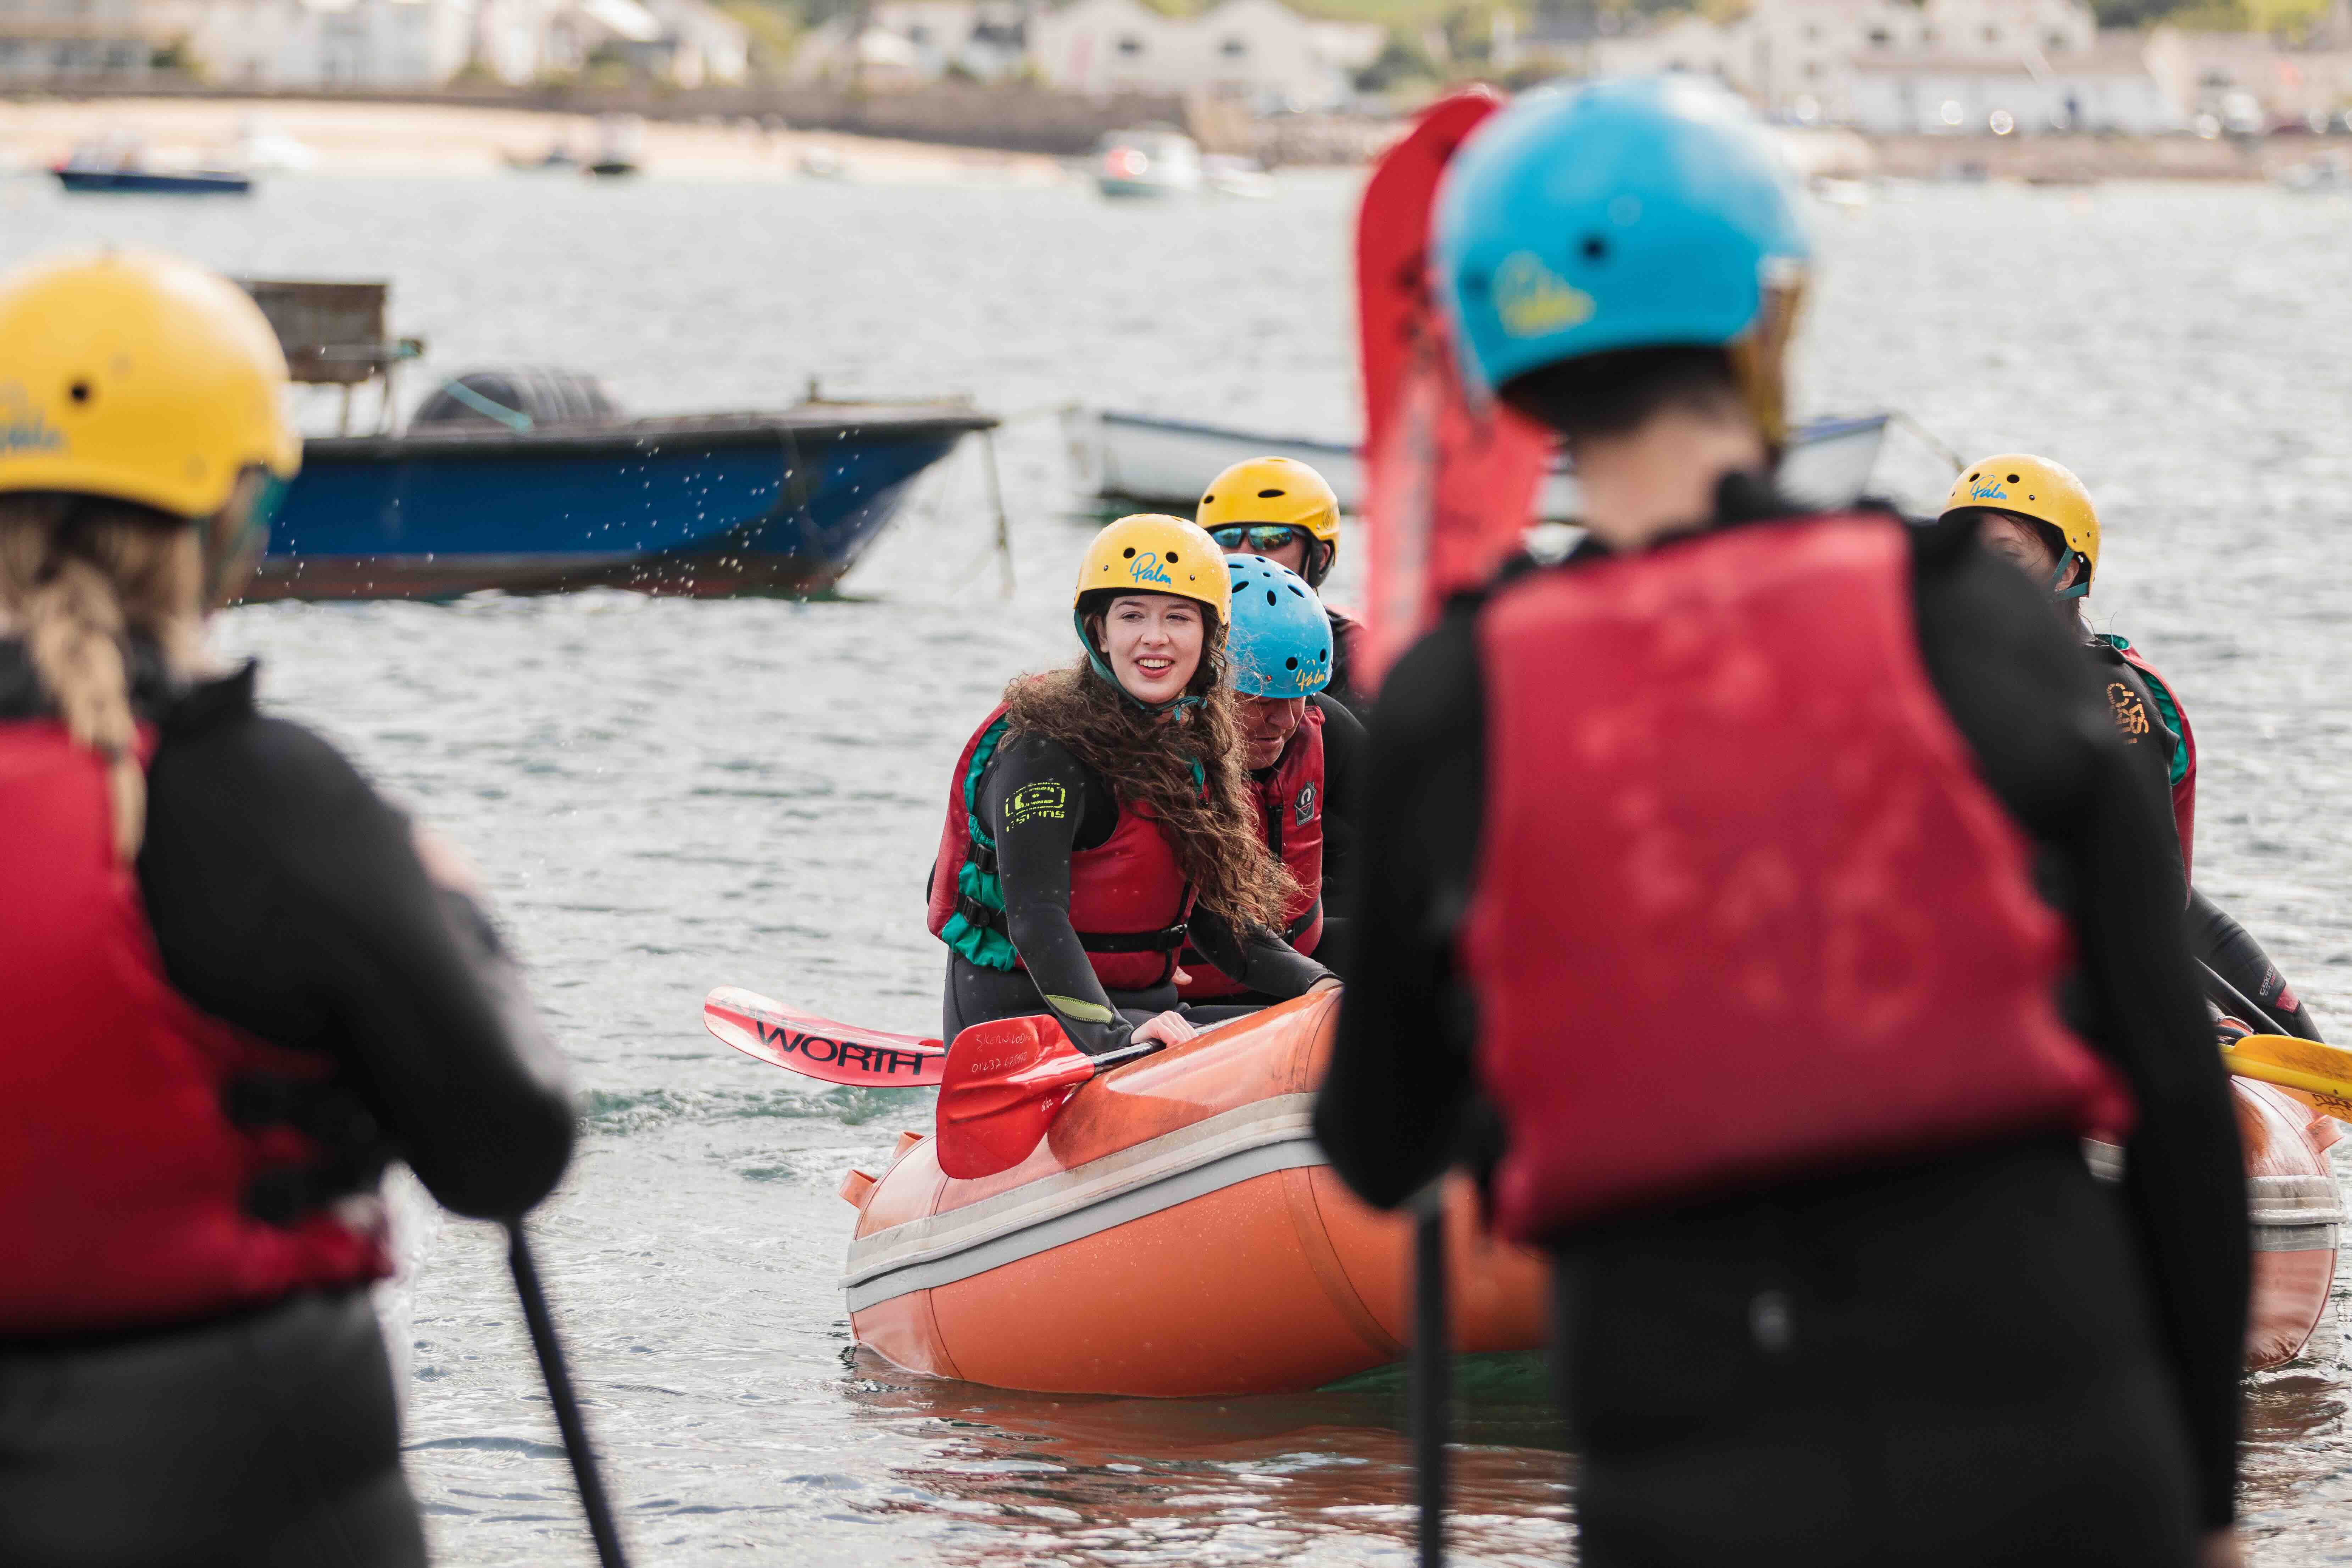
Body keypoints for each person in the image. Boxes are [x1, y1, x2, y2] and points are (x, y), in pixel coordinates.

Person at [1312, 78, 2247, 1568]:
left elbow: (1375, 1144)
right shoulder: (1977, 625)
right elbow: (2181, 1105)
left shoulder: (1454, 705)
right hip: (2066, 1460)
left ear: (1505, 361)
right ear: (1768, 325)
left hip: (1699, 1491)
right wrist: (2205, 1505)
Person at [0, 250, 576, 1566]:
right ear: (231, 513)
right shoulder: (259, 793)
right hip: (253, 1490)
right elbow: (507, 1150)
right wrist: (466, 925)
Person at [927, 512, 1336, 1058]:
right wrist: (1116, 1037)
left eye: (1179, 618)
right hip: (1021, 1018)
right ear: (1099, 629)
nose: (1155, 637)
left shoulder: (1192, 743)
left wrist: (1323, 988)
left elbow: (1219, 928)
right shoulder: (1042, 750)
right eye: (1132, 615)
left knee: (1347, 1034)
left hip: (1147, 1013)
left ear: (1209, 635)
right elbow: (1034, 920)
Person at [1946, 453, 2323, 1041]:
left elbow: (2151, 886)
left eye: (2008, 556)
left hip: (2129, 926)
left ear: (2069, 569)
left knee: (2301, 1047)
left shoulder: (2113, 698)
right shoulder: (1934, 677)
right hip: (1984, 931)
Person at [1175, 554, 1364, 1002]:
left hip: (1296, 953)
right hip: (1185, 988)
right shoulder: (1153, 761)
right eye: (1260, 699)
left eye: (1299, 695)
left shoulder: (1321, 727)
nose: (1285, 720)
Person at [1197, 456, 1372, 715]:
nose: (1244, 552)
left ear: (1319, 557)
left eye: (1270, 538)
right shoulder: (1180, 632)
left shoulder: (1355, 655)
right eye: (1227, 537)